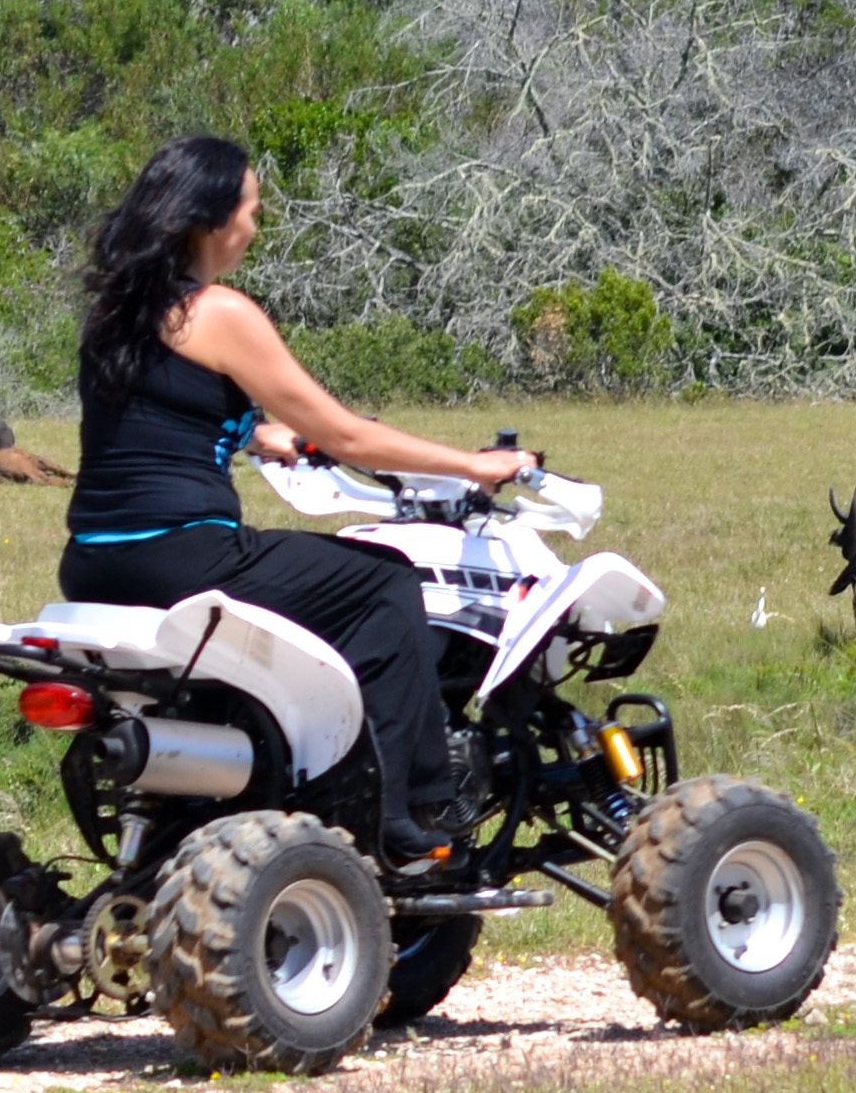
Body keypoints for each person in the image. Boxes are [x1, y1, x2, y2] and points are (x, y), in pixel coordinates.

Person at [64, 134, 533, 871]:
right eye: (252, 210)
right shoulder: (219, 312)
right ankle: (412, 814)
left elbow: (154, 412)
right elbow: (345, 434)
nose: (255, 226)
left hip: (91, 566)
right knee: (382, 580)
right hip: (186, 555)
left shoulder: (116, 310)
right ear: (211, 221)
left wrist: (253, 434)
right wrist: (473, 465)